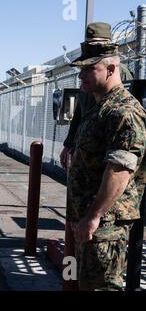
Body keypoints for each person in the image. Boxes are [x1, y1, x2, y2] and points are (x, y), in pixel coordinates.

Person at [66, 35, 146, 290]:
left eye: (90, 69)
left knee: (102, 287)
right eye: (81, 70)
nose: (82, 76)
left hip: (105, 224)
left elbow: (120, 170)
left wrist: (94, 215)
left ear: (111, 69)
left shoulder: (123, 111)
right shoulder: (101, 108)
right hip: (92, 222)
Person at [60, 22, 134, 170]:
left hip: (101, 148)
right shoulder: (89, 74)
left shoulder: (117, 72)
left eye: (97, 44)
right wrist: (69, 144)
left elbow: (120, 115)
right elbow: (80, 111)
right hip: (85, 142)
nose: (92, 48)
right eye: (89, 43)